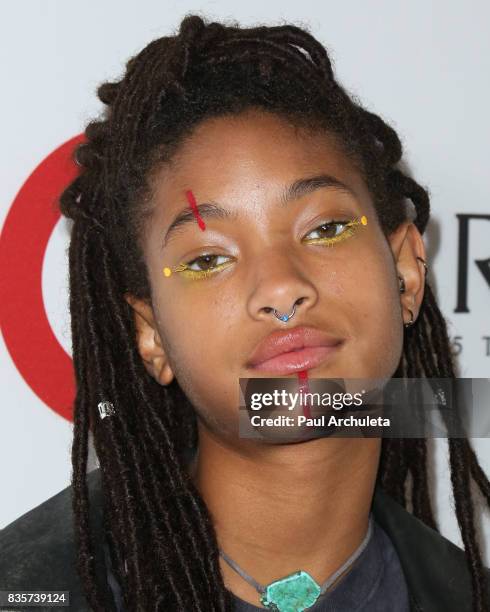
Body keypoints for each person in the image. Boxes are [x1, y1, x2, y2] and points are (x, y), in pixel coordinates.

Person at [1, 13, 489, 612]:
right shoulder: (26, 590)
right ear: (151, 336)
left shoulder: (464, 593)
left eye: (327, 228)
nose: (281, 288)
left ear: (407, 272)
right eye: (208, 259)